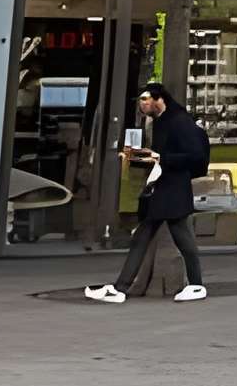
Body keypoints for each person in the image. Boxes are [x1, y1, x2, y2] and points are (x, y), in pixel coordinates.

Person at [86, 82, 209, 306]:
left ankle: (123, 287)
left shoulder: (179, 121)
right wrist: (147, 158)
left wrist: (160, 159)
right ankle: (193, 284)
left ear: (158, 98)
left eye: (145, 99)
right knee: (160, 237)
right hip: (166, 186)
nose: (142, 105)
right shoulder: (161, 121)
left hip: (173, 186)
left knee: (166, 237)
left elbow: (195, 156)